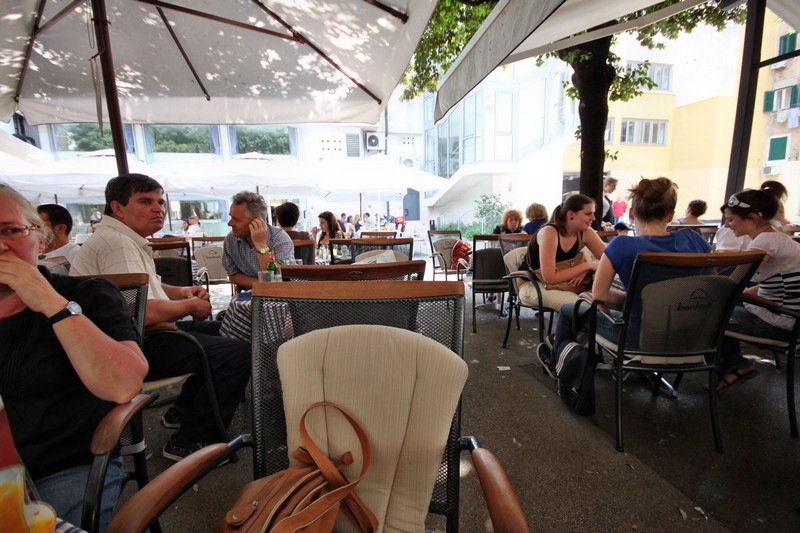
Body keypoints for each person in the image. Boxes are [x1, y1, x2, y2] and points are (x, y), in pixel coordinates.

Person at [70, 174, 250, 462]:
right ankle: (191, 442)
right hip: (127, 349)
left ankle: (183, 410)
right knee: (237, 353)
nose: (158, 209)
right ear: (117, 208)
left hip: (131, 339)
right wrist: (189, 306)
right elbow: (142, 313)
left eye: (160, 202)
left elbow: (144, 288)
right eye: (145, 202)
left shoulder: (122, 238)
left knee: (225, 328)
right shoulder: (117, 244)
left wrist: (181, 292)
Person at [0, 184, 148, 529]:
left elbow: (124, 384)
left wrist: (51, 303)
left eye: (10, 230)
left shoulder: (88, 295)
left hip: (61, 465)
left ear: (41, 239)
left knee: (226, 356)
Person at [541, 177, 711, 378]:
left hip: (638, 341)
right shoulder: (694, 239)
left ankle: (557, 364)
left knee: (570, 309)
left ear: (631, 213)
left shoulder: (622, 245)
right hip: (694, 339)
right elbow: (712, 286)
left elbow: (600, 295)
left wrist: (632, 297)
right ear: (671, 215)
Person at [716, 189, 800, 391]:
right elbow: (769, 285)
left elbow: (734, 281)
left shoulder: (764, 242)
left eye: (731, 220)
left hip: (780, 324)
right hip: (791, 319)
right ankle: (733, 364)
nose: (727, 225)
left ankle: (734, 365)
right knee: (723, 303)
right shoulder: (778, 238)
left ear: (752, 217)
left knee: (711, 316)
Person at [517, 193, 606, 315]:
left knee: (608, 299)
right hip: (532, 284)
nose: (593, 218)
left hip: (565, 284)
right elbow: (550, 278)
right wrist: (587, 266)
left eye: (593, 213)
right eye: (588, 213)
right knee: (583, 308)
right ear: (571, 215)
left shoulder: (585, 232)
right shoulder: (549, 232)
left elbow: (611, 259)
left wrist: (587, 270)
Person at [222, 191, 294, 290]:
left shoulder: (279, 238)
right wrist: (262, 285)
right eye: (231, 217)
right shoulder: (231, 240)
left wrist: (261, 245)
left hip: (280, 295)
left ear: (257, 221)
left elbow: (281, 277)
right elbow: (233, 275)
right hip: (248, 295)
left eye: (236, 219)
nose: (229, 223)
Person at [36, 204, 81, 275]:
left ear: (60, 228)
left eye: (38, 226)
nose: (33, 230)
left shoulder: (76, 255)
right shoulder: (32, 253)